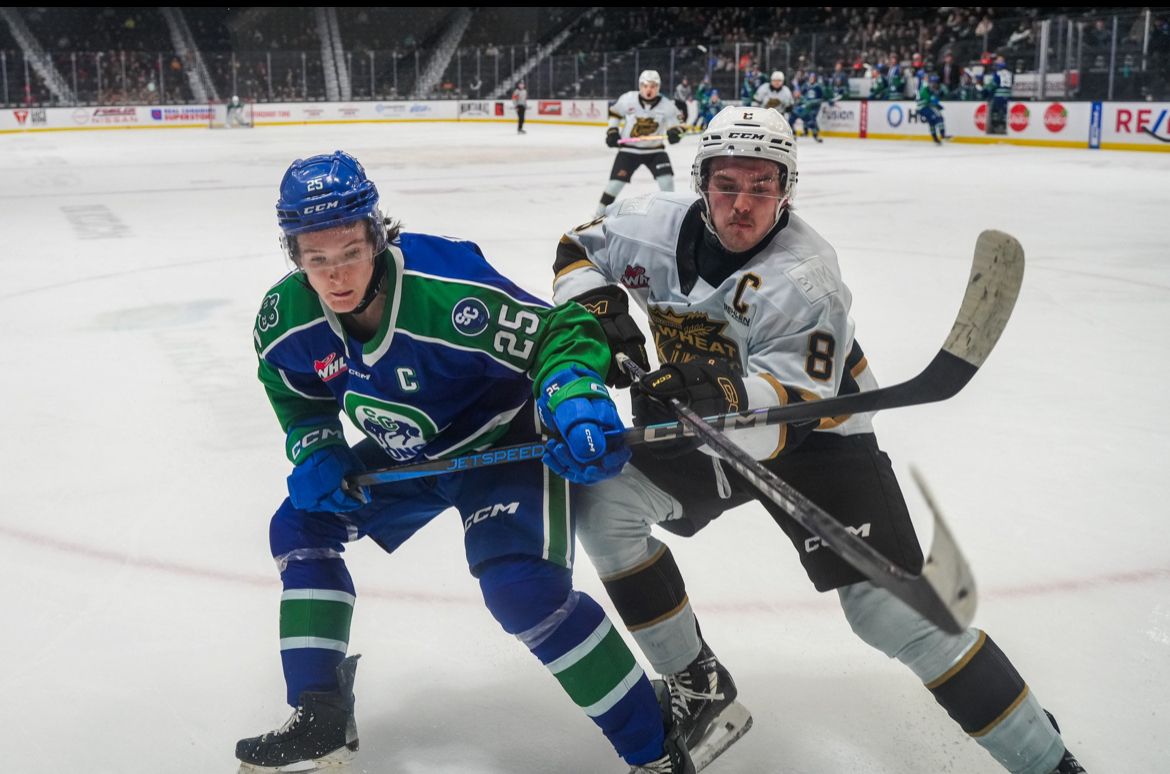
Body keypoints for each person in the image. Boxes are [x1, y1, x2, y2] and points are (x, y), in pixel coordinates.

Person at [549, 106, 1088, 774]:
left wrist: (720, 396)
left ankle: (1046, 760)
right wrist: (599, 312)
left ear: (787, 189)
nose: (742, 204)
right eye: (726, 184)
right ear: (701, 181)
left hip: (820, 433)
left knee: (891, 617)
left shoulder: (807, 278)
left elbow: (794, 415)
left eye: (763, 187)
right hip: (705, 421)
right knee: (605, 508)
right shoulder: (644, 225)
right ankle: (700, 687)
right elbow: (577, 249)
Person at [236, 150, 694, 774]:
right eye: (316, 260)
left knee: (522, 591)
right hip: (413, 453)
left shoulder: (447, 290)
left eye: (350, 252)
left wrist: (574, 396)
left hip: (502, 444)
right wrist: (315, 444)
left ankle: (655, 751)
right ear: (294, 256)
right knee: (299, 526)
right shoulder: (286, 318)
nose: (336, 275)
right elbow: (294, 389)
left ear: (377, 234)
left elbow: (558, 332)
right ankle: (319, 717)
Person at [597, 70, 684, 217]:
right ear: (640, 86)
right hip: (628, 151)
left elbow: (677, 124)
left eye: (653, 86)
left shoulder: (667, 105)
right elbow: (615, 113)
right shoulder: (628, 99)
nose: (649, 90)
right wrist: (612, 131)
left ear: (658, 87)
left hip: (655, 151)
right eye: (645, 86)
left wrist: (675, 133)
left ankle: (670, 216)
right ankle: (598, 215)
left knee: (667, 182)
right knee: (615, 185)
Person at [917, 73, 948, 144]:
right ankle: (942, 135)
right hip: (924, 107)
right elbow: (929, 98)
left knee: (932, 122)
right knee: (939, 117)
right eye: (934, 82)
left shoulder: (925, 87)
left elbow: (931, 98)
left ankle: (935, 138)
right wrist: (937, 104)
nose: (935, 84)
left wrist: (936, 103)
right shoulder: (925, 87)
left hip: (922, 108)